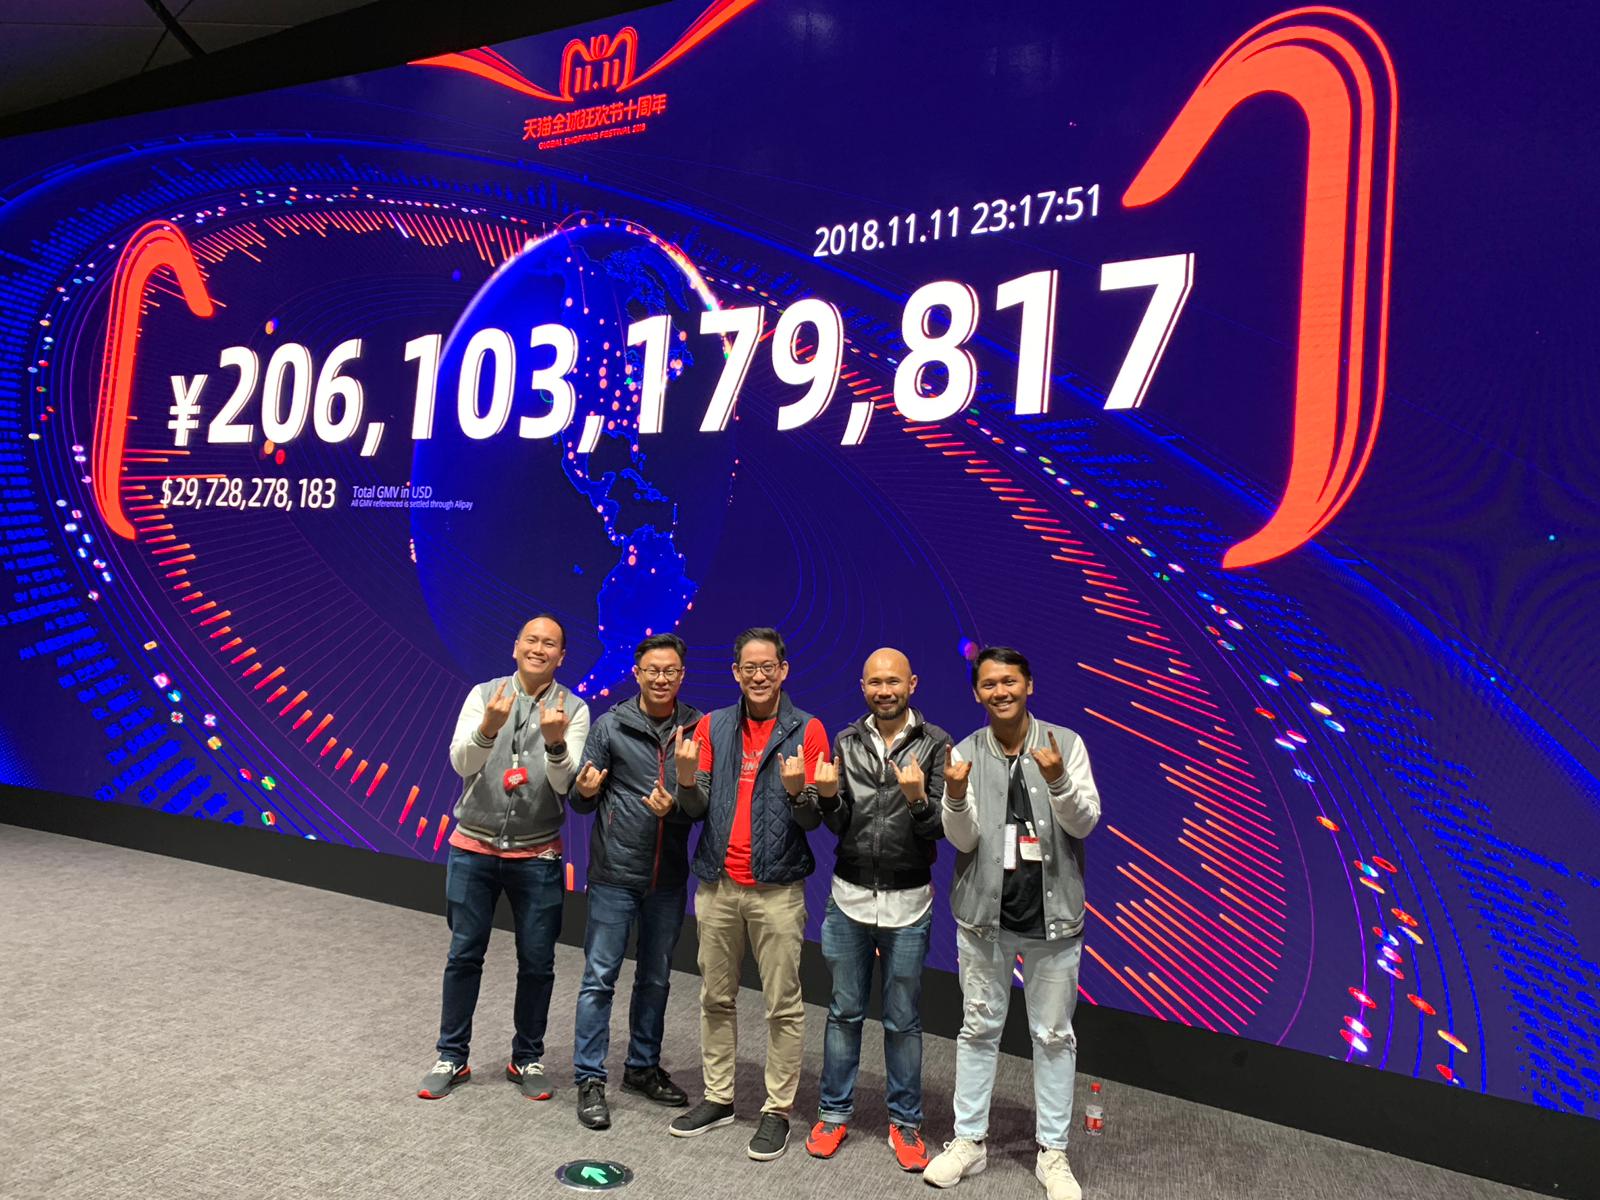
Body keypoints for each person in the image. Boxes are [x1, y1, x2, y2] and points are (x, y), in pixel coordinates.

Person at [922, 647, 1100, 1200]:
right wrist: (954, 795)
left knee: (1053, 1036)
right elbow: (964, 840)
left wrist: (1059, 781)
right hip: (984, 918)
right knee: (977, 1030)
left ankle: (1053, 1152)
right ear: (977, 693)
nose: (1000, 691)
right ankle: (969, 1141)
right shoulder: (966, 752)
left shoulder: (1065, 744)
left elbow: (1085, 823)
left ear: (1029, 686)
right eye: (989, 684)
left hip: (1054, 919)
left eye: (1010, 681)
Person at [667, 627, 829, 1162]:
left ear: (783, 670)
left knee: (782, 1005)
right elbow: (695, 809)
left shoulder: (807, 729)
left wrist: (798, 793)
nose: (759, 676)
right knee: (715, 998)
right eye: (749, 668)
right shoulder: (712, 725)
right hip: (717, 885)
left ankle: (777, 1109)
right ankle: (718, 1098)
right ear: (736, 673)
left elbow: (815, 817)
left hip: (777, 891)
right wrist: (685, 781)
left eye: (768, 667)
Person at [417, 615, 591, 1103]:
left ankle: (527, 1057)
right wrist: (489, 729)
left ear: (561, 657)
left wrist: (555, 742)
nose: (539, 648)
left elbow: (566, 786)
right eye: (531, 640)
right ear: (516, 647)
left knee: (538, 962)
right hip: (473, 848)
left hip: (538, 855)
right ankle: (452, 1056)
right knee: (463, 955)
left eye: (550, 643)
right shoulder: (483, 695)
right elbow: (461, 763)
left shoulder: (574, 708)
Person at [806, 648, 950, 1171]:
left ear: (912, 684)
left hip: (908, 903)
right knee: (843, 1012)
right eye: (874, 683)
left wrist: (917, 799)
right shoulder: (847, 741)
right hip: (848, 897)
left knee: (902, 1019)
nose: (884, 690)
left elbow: (943, 827)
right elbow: (839, 824)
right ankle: (833, 1114)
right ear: (863, 687)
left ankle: (906, 1123)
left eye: (893, 681)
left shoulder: (937, 744)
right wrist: (827, 799)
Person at [568, 633, 704, 1129]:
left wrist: (677, 808)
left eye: (670, 671)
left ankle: (642, 1068)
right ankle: (589, 1078)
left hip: (667, 878)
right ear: (637, 673)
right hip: (614, 874)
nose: (661, 679)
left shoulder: (698, 729)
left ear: (681, 675)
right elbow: (581, 800)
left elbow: (703, 805)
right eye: (652, 670)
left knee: (656, 978)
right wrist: (584, 792)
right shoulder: (610, 725)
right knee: (599, 978)